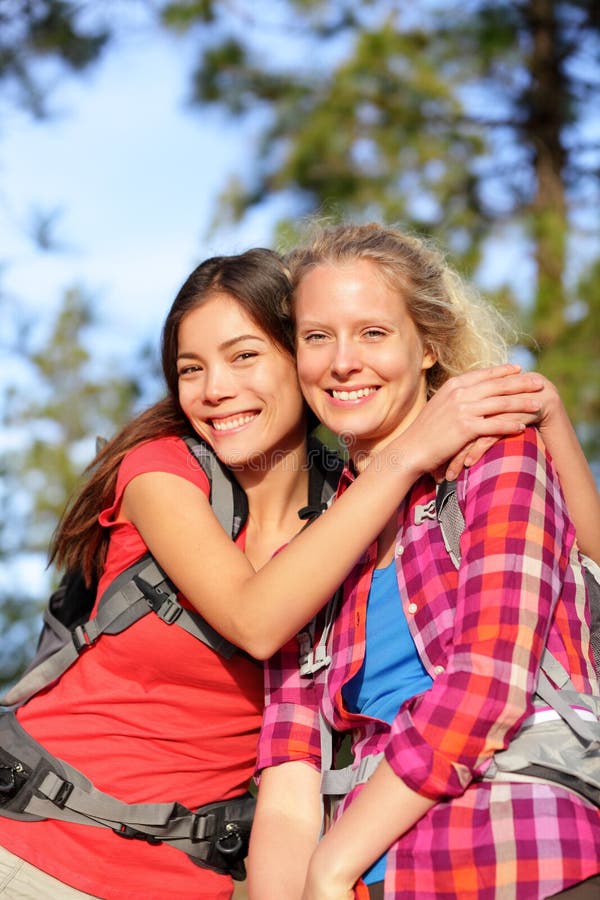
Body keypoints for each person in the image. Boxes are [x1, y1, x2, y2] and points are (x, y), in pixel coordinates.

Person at [0, 248, 559, 900]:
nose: (213, 388)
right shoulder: (161, 471)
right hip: (31, 851)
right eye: (191, 368)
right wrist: (407, 454)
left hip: (184, 882)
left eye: (244, 356)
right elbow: (256, 620)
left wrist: (549, 418)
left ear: (300, 359)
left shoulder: (359, 510)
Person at [249, 223, 600, 900]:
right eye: (317, 337)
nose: (342, 363)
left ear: (429, 346)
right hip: (375, 879)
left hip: (520, 854)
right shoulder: (313, 557)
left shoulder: (496, 460)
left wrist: (330, 867)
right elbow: (289, 785)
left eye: (374, 334)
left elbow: (486, 687)